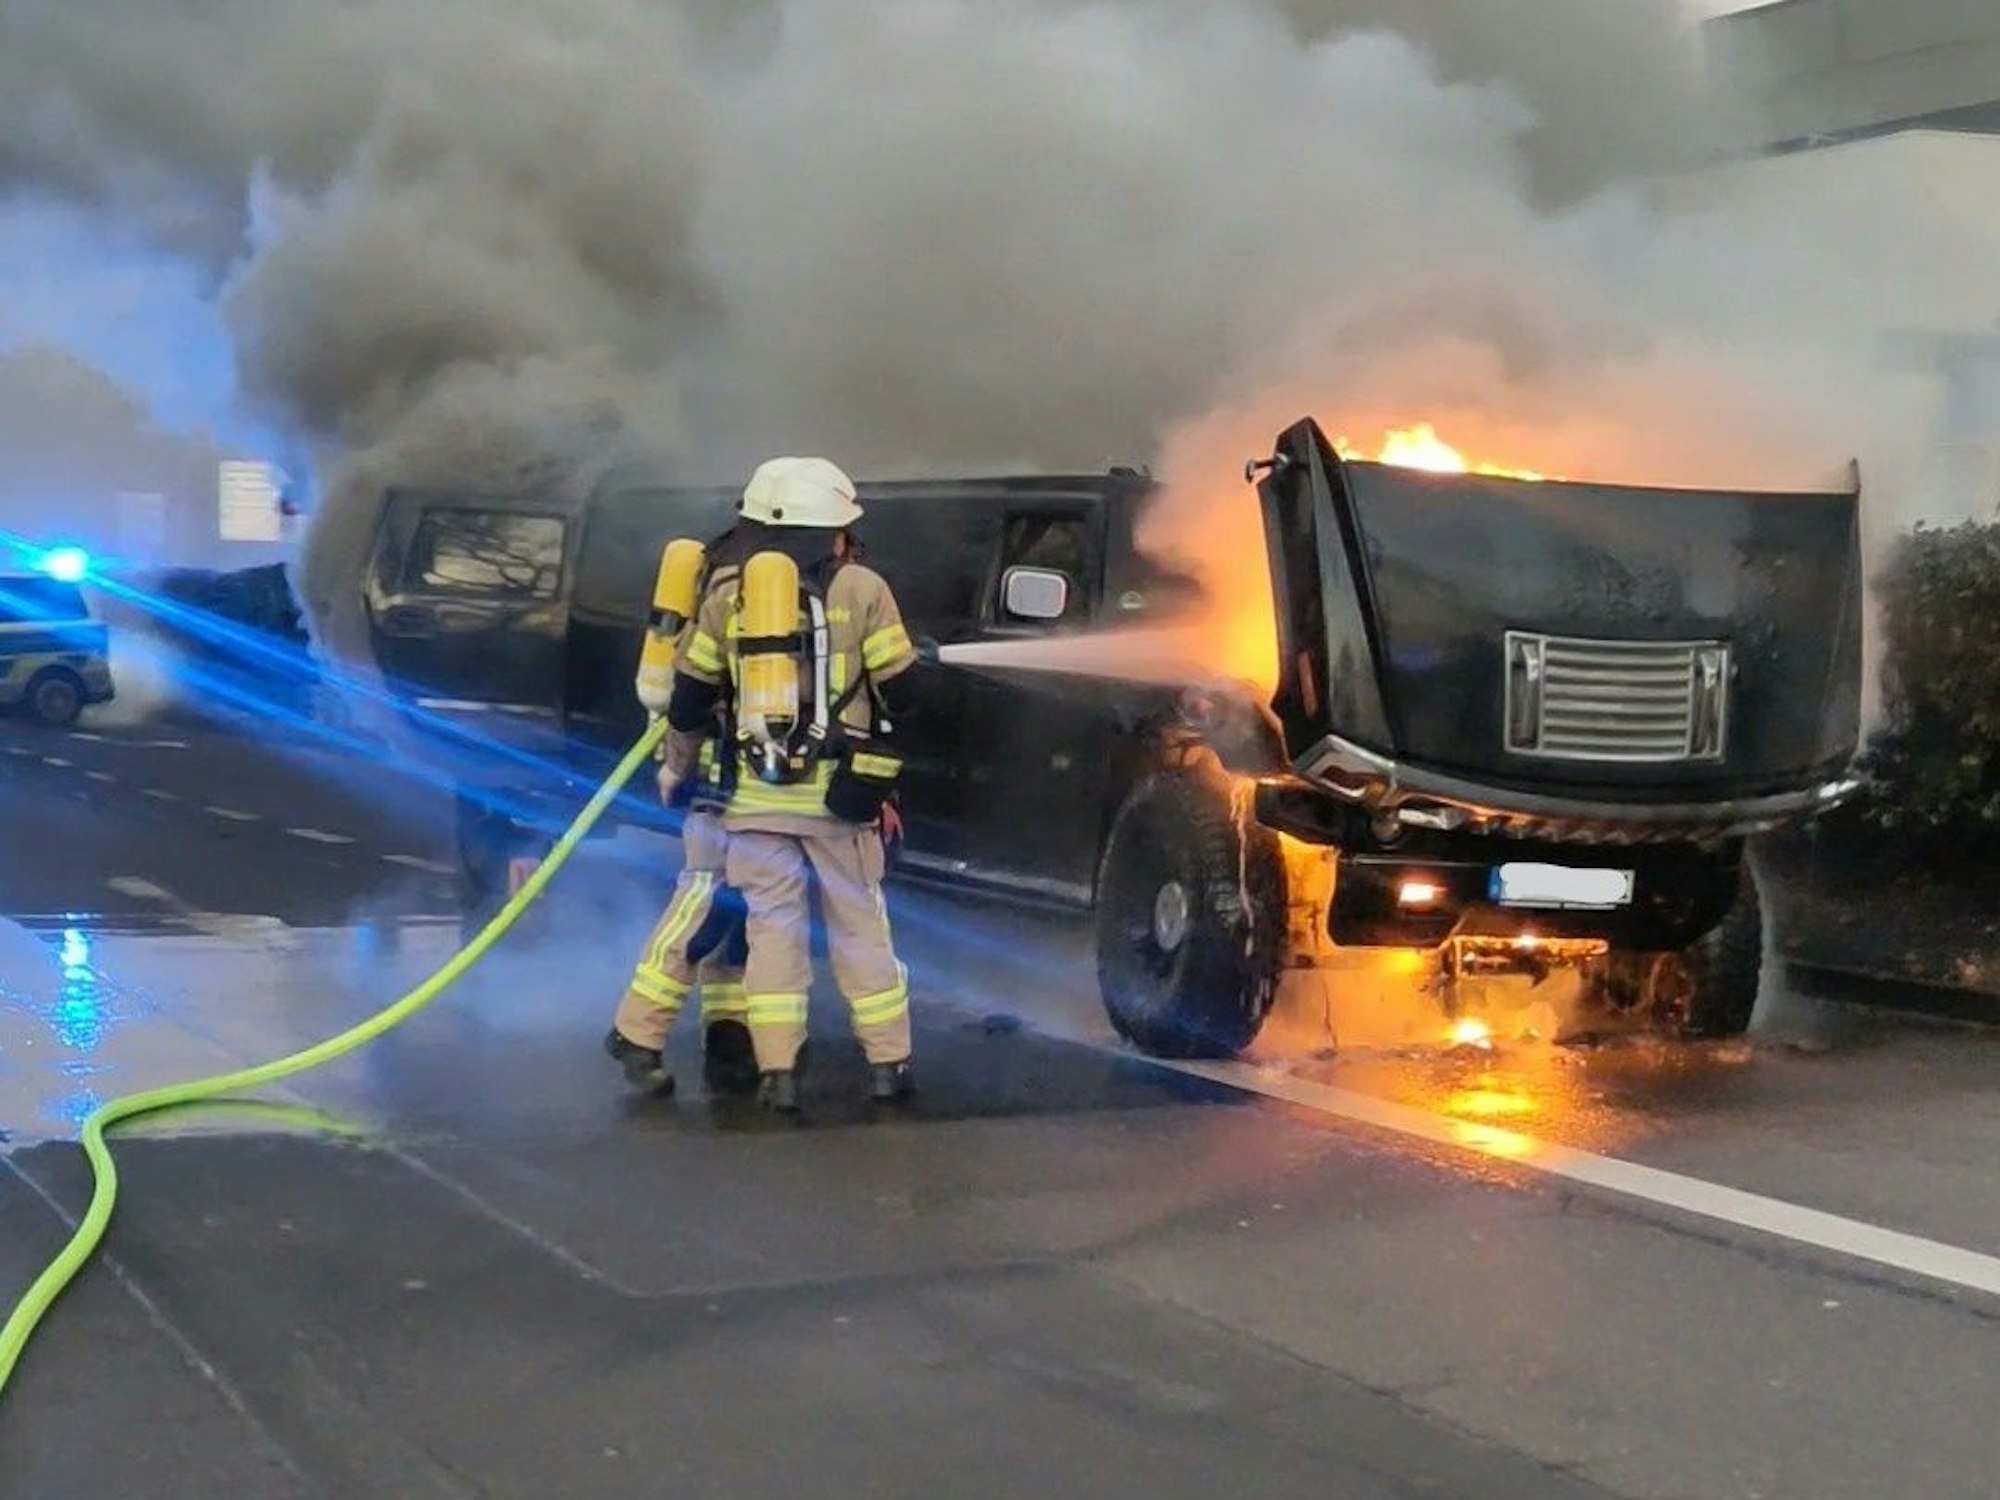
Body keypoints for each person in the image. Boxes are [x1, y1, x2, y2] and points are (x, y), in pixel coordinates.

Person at [657, 456, 921, 1111]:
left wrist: (676, 766)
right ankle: (888, 1065)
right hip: (840, 801)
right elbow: (905, 694)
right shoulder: (864, 589)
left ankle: (778, 1075)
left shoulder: (727, 594)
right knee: (861, 930)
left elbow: (687, 701)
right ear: (836, 530)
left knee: (772, 932)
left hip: (753, 802)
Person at [602, 526, 761, 1097]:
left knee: (745, 908)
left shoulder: (760, 573)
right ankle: (636, 1031)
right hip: (721, 773)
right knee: (706, 897)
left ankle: (728, 1029)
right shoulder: (741, 589)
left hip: (756, 777)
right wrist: (680, 764)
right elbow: (697, 690)